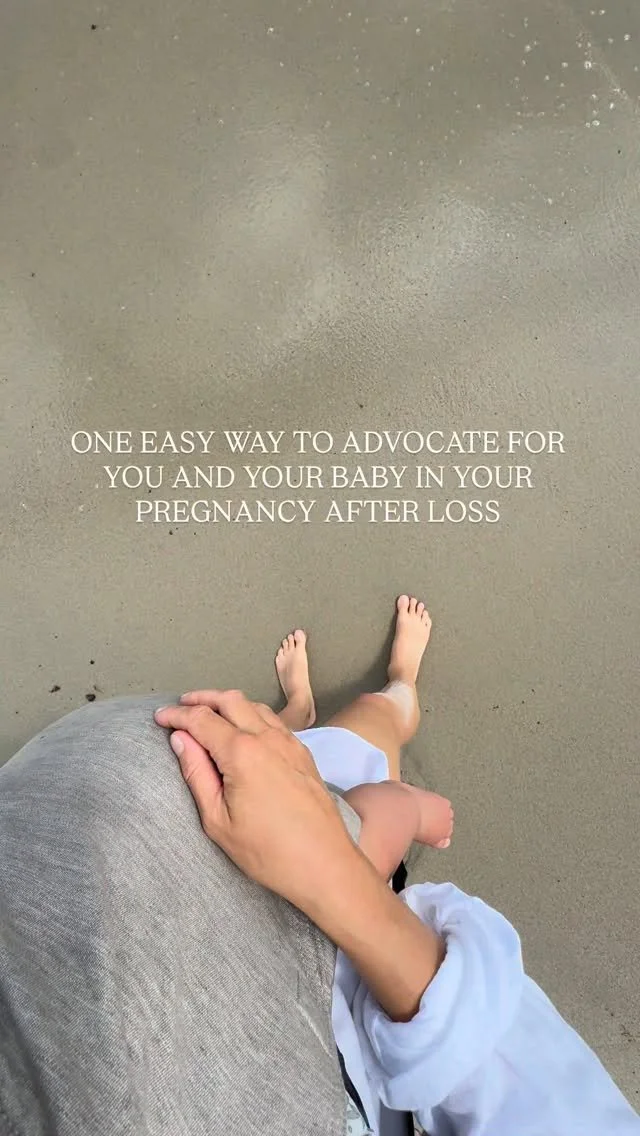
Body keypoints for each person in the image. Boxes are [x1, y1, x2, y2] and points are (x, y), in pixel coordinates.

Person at [0, 599, 637, 1136]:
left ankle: (297, 714)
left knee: (296, 755)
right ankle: (398, 693)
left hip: (239, 820)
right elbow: (539, 1099)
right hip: (335, 906)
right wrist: (355, 847)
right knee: (361, 739)